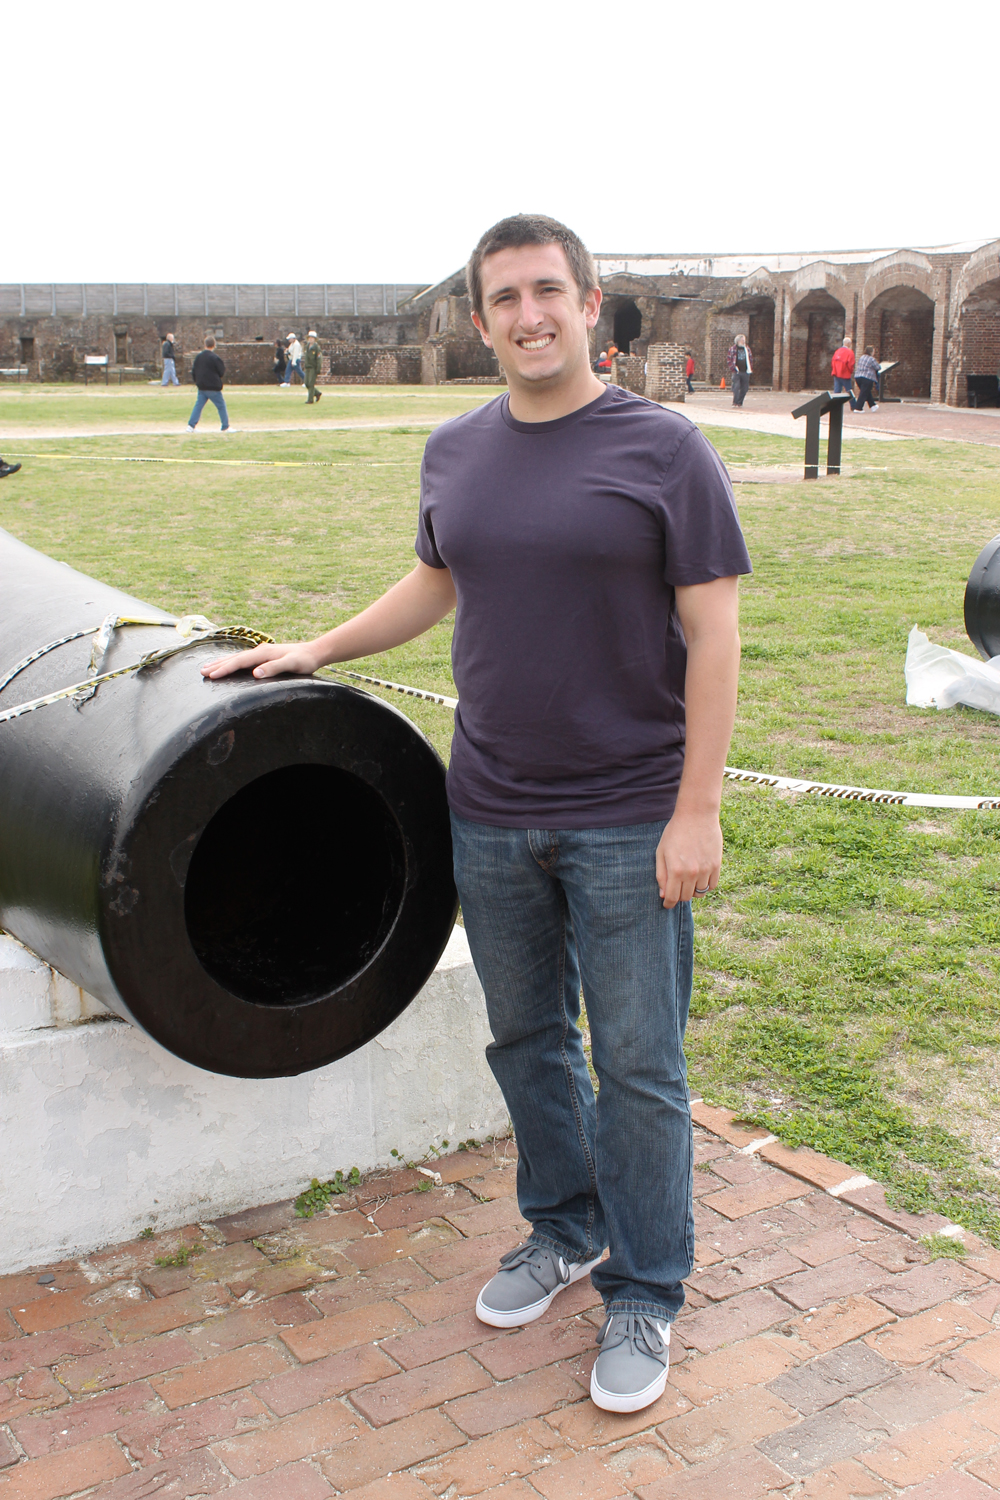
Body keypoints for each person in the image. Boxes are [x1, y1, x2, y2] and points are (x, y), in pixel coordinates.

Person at [200, 212, 750, 1415]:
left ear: (591, 305)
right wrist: (319, 647)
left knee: (643, 1067)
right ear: (479, 316)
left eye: (548, 291)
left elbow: (713, 633)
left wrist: (694, 809)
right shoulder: (455, 451)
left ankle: (647, 1289)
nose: (528, 315)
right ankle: (563, 1228)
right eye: (503, 298)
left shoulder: (664, 450)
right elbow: (439, 579)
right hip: (490, 806)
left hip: (624, 815)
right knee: (526, 1042)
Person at [186, 336, 230, 432]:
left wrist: (197, 381)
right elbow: (221, 371)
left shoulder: (198, 357)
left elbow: (194, 371)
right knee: (221, 406)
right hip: (213, 387)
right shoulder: (215, 358)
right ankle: (225, 426)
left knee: (198, 406)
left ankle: (191, 426)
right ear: (214, 345)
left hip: (202, 387)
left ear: (205, 345)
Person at [851, 345, 880, 412]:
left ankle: (873, 406)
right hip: (867, 377)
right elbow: (877, 367)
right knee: (863, 393)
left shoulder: (861, 357)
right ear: (871, 352)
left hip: (858, 376)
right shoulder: (871, 359)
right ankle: (858, 408)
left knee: (866, 391)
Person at [726, 335, 752, 407]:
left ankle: (740, 402)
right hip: (737, 371)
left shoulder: (747, 349)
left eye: (744, 340)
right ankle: (735, 402)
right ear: (738, 341)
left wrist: (750, 368)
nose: (743, 342)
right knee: (736, 387)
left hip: (745, 371)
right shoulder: (733, 349)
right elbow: (729, 360)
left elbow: (750, 359)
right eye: (742, 340)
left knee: (745, 388)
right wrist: (733, 368)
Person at [303, 332, 323, 404]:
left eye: (312, 338)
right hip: (307, 367)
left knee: (311, 383)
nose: (310, 339)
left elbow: (319, 359)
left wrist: (318, 368)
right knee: (306, 383)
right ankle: (317, 393)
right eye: (309, 338)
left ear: (314, 339)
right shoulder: (307, 346)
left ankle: (310, 400)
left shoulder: (316, 348)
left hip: (313, 368)